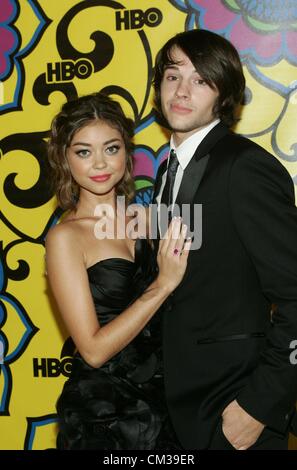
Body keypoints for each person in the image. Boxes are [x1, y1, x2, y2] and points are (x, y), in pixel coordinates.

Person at [152, 28, 297, 450]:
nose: (182, 91)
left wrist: (259, 406)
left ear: (223, 95)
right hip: (177, 411)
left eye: (201, 80)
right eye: (173, 75)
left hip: (235, 410)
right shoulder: (167, 173)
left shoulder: (245, 168)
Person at [45, 92, 191, 450]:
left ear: (127, 154)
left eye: (111, 148)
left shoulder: (146, 219)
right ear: (65, 158)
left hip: (167, 400)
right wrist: (162, 285)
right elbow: (93, 351)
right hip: (107, 414)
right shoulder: (66, 237)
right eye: (83, 151)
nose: (99, 163)